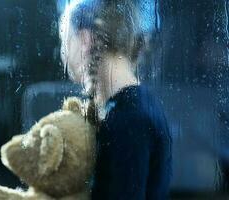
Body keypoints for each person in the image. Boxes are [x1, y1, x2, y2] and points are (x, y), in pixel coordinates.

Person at [59, 0, 172, 199]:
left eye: (66, 41)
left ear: (86, 41)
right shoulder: (136, 108)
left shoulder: (128, 120)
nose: (64, 55)